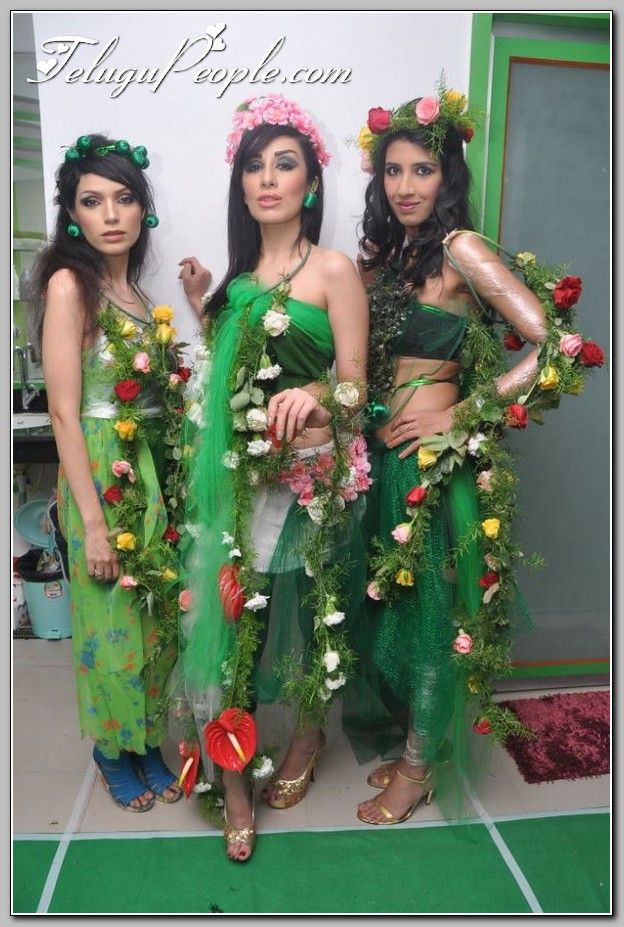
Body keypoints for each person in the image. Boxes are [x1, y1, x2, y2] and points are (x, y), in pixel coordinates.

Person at [175, 94, 369, 861]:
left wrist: (315, 392)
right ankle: (233, 782)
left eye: (284, 164)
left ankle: (309, 737)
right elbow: (233, 374)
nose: (266, 178)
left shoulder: (333, 269)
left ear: (310, 184)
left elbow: (356, 384)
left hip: (317, 480)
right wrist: (204, 306)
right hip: (246, 486)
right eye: (254, 165)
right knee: (237, 633)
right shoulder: (238, 283)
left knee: (320, 620)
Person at [350, 88, 551, 826]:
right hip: (384, 462)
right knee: (396, 610)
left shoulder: (463, 250)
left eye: (422, 170)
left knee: (433, 619)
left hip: (433, 465)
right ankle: (417, 746)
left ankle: (416, 770)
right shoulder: (389, 258)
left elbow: (555, 346)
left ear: (448, 176)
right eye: (393, 171)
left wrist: (457, 412)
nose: (405, 186)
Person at [33, 134, 183, 812]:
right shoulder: (71, 285)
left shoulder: (136, 293)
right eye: (92, 202)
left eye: (124, 198)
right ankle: (111, 749)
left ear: (142, 209)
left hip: (144, 469)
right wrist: (91, 523)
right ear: (72, 215)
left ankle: (145, 739)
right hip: (96, 464)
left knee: (151, 617)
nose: (111, 214)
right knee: (107, 619)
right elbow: (63, 413)